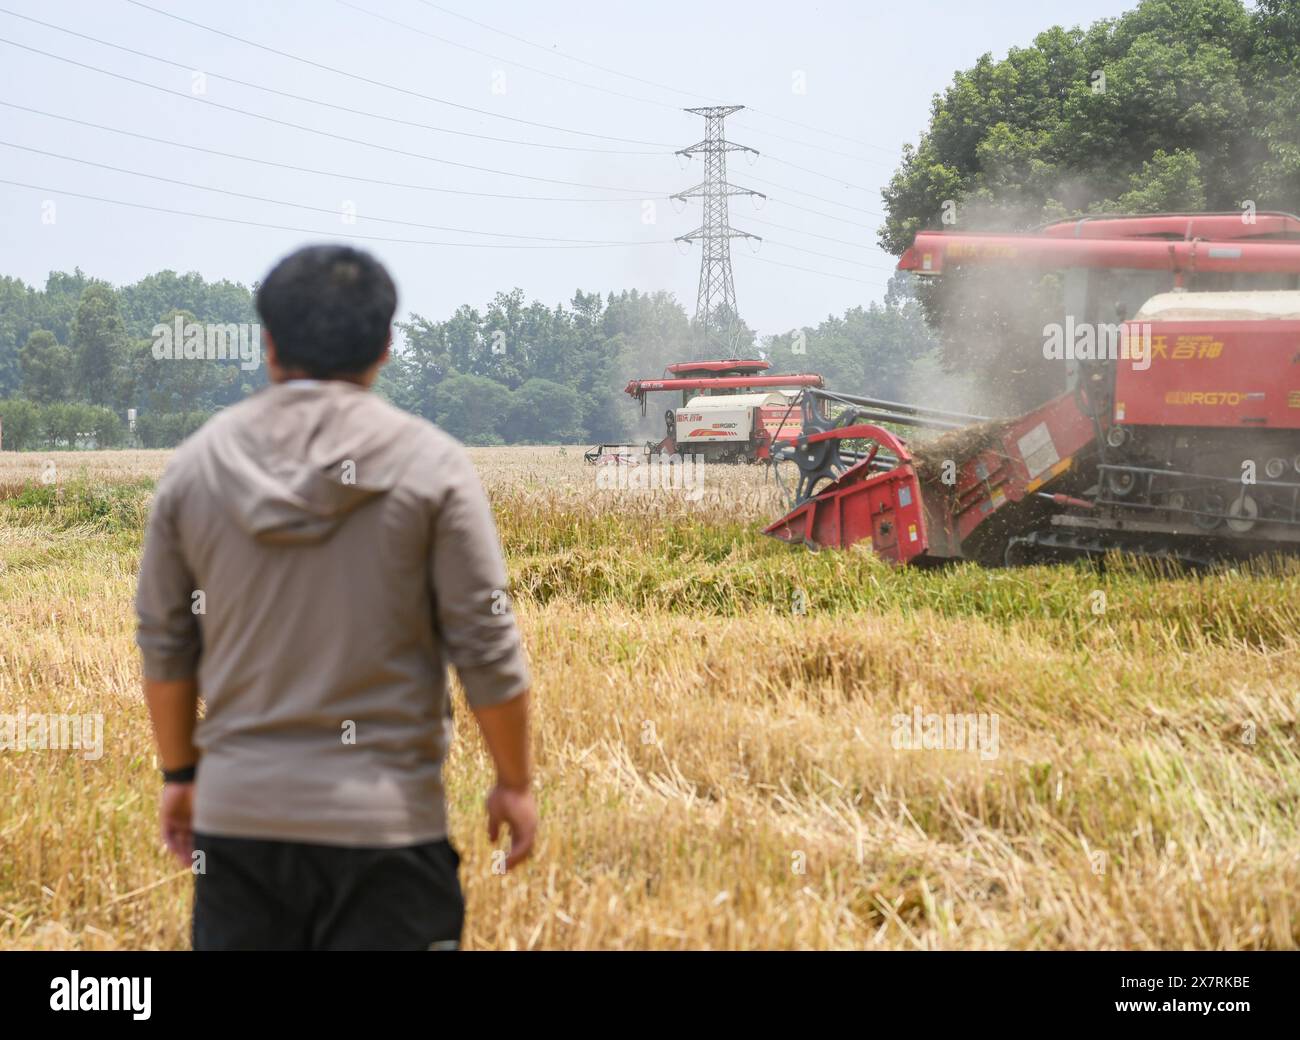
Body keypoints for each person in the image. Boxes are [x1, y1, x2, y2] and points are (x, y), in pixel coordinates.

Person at [135, 244, 534, 951]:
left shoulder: (195, 469)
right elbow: (487, 644)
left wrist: (180, 774)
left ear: (268, 343)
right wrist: (513, 781)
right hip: (389, 835)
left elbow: (166, 644)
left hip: (240, 830)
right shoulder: (433, 467)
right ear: (385, 343)